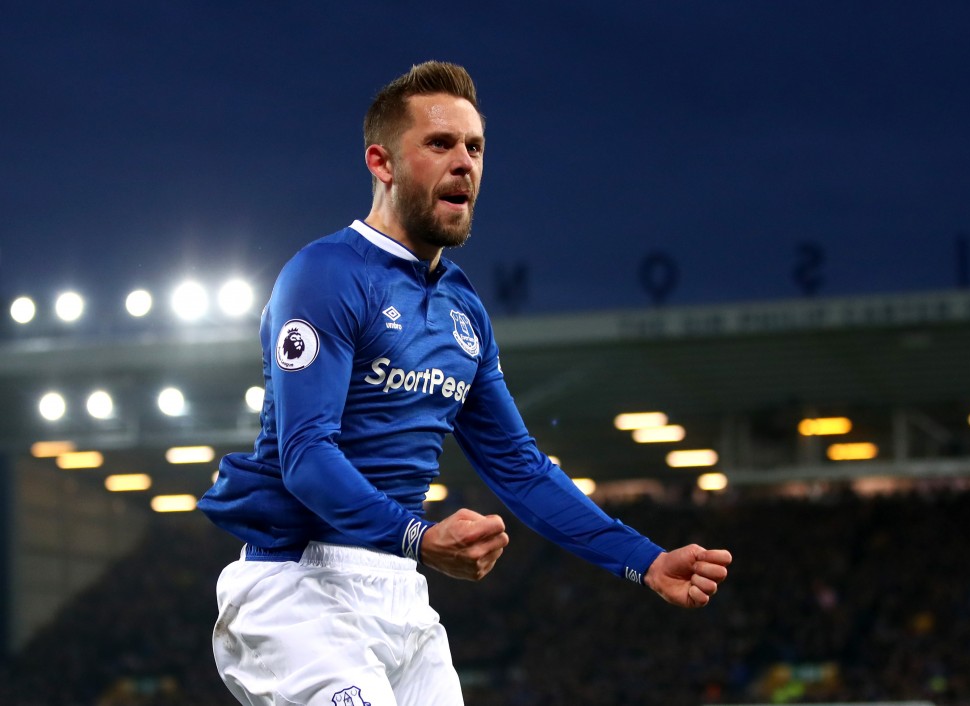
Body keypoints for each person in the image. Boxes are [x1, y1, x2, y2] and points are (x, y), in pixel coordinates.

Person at [198, 60, 732, 706]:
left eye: (475, 147)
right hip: (296, 587)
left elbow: (521, 467)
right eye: (440, 144)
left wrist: (645, 559)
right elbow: (306, 457)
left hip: (398, 591)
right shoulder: (325, 276)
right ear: (382, 161)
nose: (464, 163)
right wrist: (421, 536)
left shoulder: (463, 312)